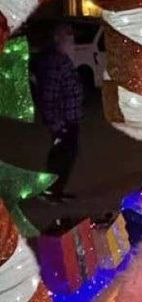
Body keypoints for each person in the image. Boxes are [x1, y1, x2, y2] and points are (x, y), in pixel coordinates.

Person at [31, 23, 83, 200]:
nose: (72, 43)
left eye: (72, 38)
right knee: (60, 157)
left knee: (66, 157)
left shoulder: (63, 59)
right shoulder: (55, 63)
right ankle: (51, 192)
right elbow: (48, 97)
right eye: (68, 39)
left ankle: (57, 191)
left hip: (70, 120)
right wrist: (57, 125)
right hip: (63, 123)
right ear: (58, 40)